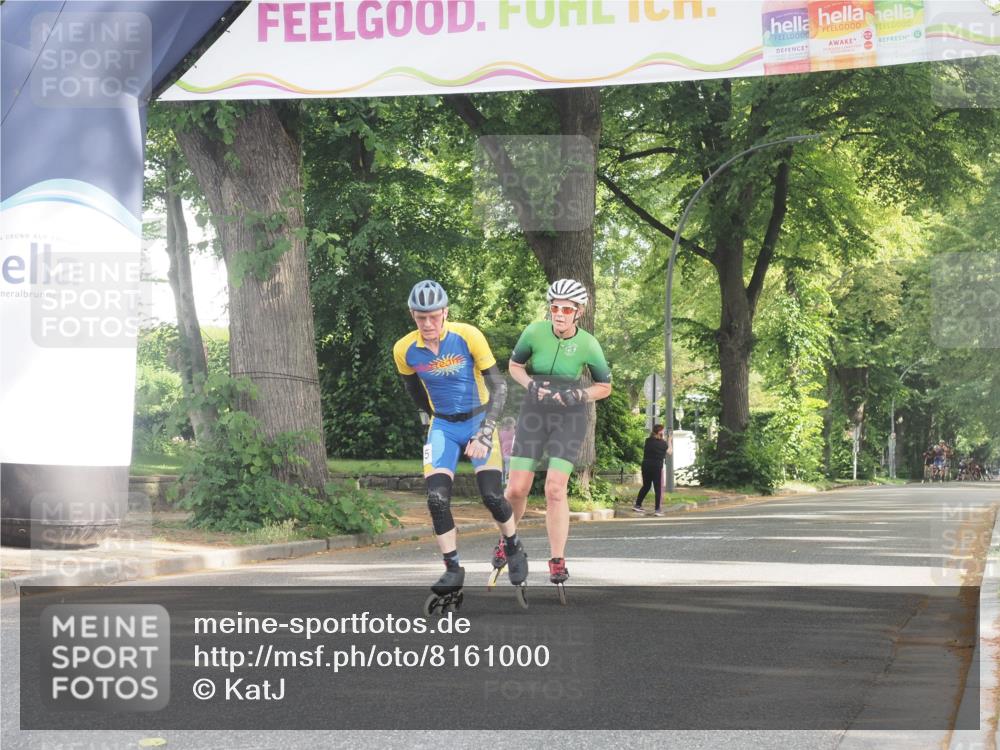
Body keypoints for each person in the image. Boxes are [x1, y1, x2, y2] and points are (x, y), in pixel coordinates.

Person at [393, 280, 527, 604]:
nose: (428, 324)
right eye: (421, 317)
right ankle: (453, 569)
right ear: (412, 315)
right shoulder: (404, 349)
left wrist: (485, 432)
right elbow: (414, 392)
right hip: (443, 426)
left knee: (491, 495)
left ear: (445, 312)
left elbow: (500, 387)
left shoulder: (468, 335)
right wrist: (434, 421)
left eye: (433, 316)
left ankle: (513, 545)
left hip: (479, 419)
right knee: (437, 500)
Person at [504, 279, 612, 587]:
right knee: (516, 489)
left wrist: (579, 395)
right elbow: (514, 366)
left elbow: (604, 386)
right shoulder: (534, 332)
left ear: (579, 312)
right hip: (534, 412)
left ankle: (557, 559)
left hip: (569, 416)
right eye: (555, 308)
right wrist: (531, 385)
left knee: (554, 488)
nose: (559, 314)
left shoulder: (589, 344)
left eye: (566, 309)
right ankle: (507, 540)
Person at [634, 424, 670, 516]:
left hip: (645, 465)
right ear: (660, 432)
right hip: (656, 467)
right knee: (658, 488)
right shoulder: (663, 443)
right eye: (663, 430)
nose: (664, 432)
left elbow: (655, 439)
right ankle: (657, 510)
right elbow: (670, 451)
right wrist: (669, 440)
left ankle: (637, 505)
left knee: (646, 486)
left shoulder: (648, 441)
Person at [499, 417, 516, 485]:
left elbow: (500, 444)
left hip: (505, 454)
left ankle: (504, 482)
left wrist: (501, 454)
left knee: (506, 469)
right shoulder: (514, 432)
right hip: (510, 454)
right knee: (509, 469)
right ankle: (507, 483)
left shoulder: (501, 433)